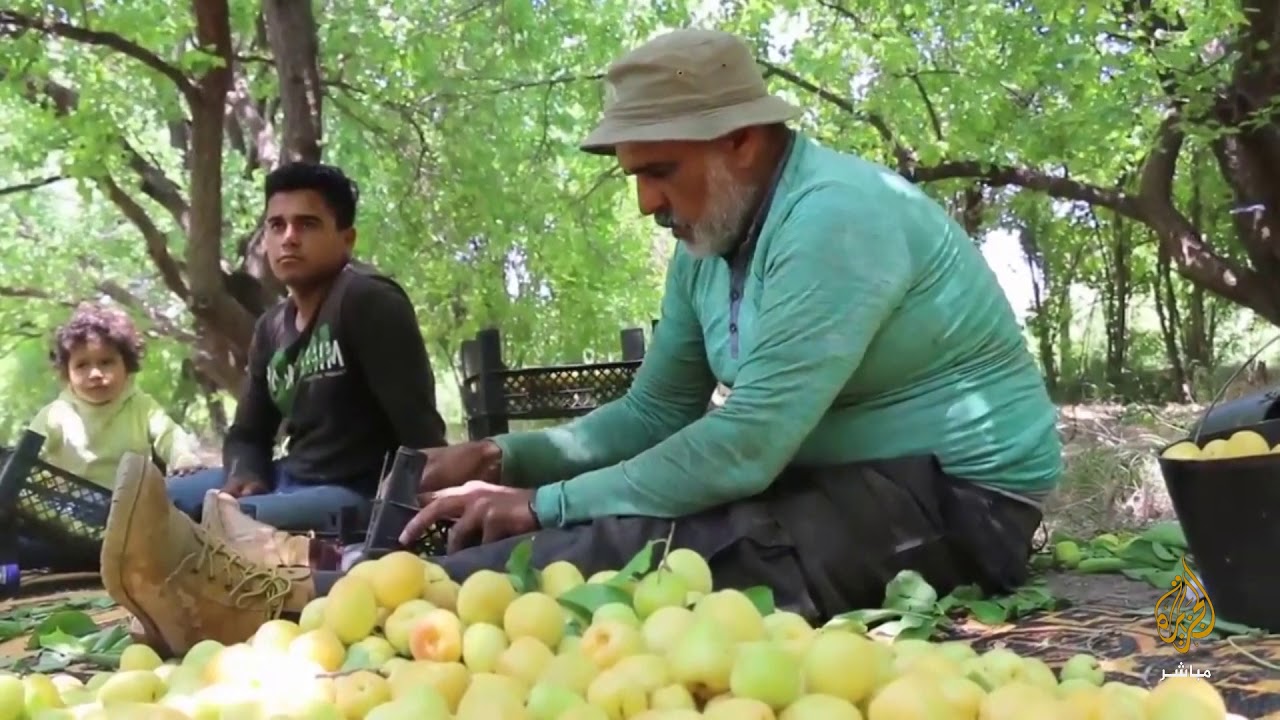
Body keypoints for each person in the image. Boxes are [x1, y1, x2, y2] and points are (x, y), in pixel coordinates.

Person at [99, 29, 1062, 655]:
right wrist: (497, 457)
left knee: (680, 543)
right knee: (576, 515)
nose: (645, 201)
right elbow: (658, 411)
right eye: (632, 175)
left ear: (742, 141)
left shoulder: (836, 219)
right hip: (835, 474)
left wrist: (541, 500)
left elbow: (748, 443)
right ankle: (313, 573)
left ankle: (311, 603)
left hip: (958, 500)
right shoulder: (707, 236)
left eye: (660, 171)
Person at [163, 162, 448, 532]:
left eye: (307, 224)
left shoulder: (368, 300)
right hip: (286, 479)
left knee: (216, 526)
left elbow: (420, 432)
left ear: (346, 239)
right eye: (276, 225)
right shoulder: (271, 327)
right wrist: (245, 473)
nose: (289, 237)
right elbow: (249, 433)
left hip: (352, 495)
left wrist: (425, 511)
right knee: (154, 501)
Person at [29, 302, 201, 488]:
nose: (95, 374)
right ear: (67, 373)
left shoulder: (141, 406)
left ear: (126, 366)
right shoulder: (55, 414)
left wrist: (182, 457)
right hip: (71, 509)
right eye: (82, 365)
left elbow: (168, 435)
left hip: (132, 506)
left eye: (106, 362)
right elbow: (27, 456)